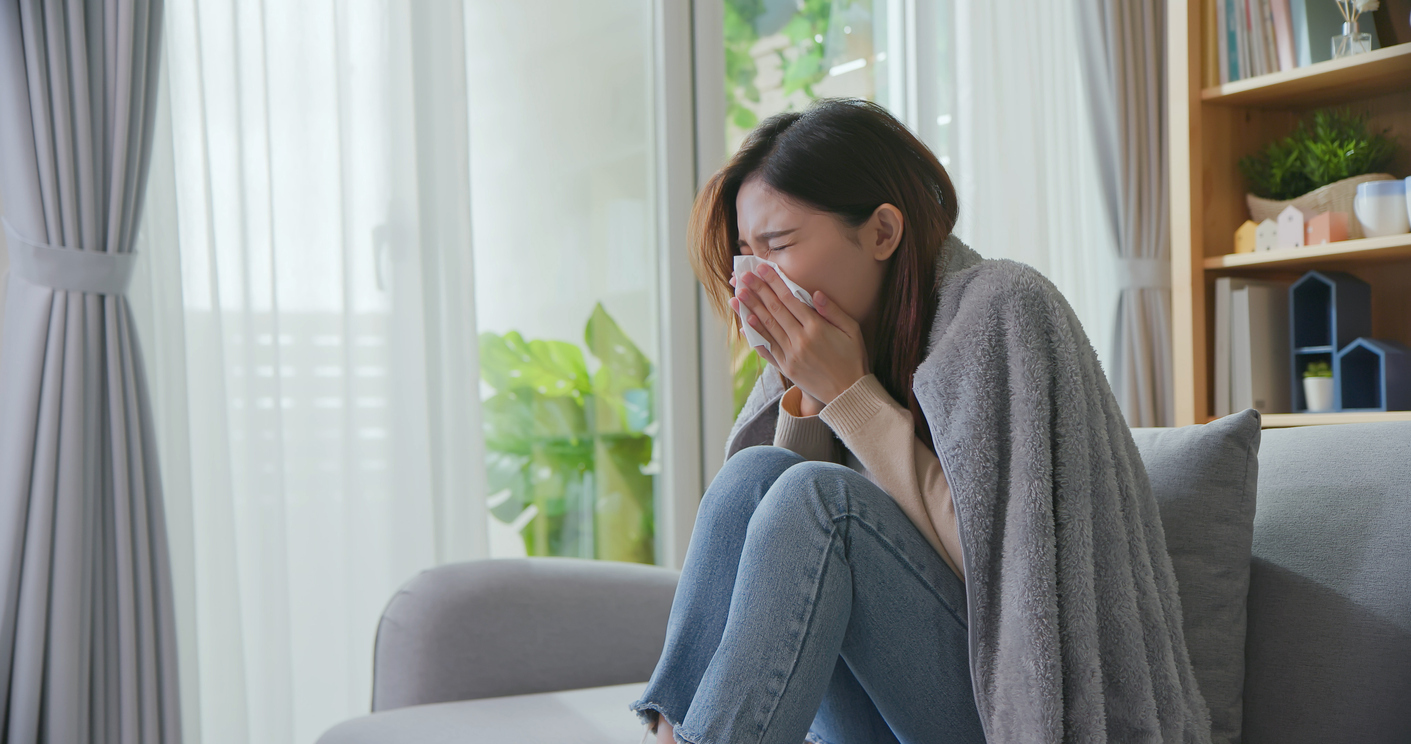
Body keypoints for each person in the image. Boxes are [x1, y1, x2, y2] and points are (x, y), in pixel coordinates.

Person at [630, 97, 982, 744]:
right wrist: (813, 391)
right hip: (875, 712)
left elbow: (1002, 567)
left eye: (780, 244)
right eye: (744, 252)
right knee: (757, 475)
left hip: (991, 700)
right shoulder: (832, 345)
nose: (753, 279)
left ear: (882, 232)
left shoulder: (990, 318)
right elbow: (800, 571)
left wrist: (852, 392)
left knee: (817, 499)